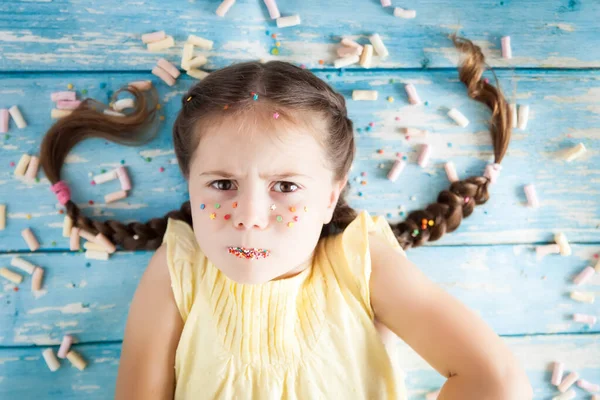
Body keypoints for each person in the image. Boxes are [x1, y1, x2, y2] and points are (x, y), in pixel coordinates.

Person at [39, 35, 532, 399]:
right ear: (189, 183)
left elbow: (496, 381)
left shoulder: (359, 258)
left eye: (286, 187)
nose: (249, 217)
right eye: (223, 184)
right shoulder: (178, 268)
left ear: (330, 194)